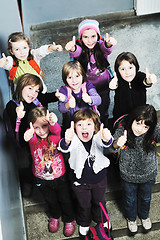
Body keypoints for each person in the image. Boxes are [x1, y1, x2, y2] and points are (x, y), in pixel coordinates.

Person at [4, 73, 64, 197]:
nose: (33, 93)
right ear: (21, 87)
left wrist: (57, 95)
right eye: (29, 88)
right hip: (25, 143)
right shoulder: (13, 105)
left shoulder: (37, 99)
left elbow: (47, 97)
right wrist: (18, 114)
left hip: (43, 138)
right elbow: (13, 110)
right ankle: (28, 182)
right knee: (26, 162)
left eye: (36, 90)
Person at [58, 109, 113, 238]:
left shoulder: (97, 136)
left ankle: (101, 220)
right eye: (80, 125)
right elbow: (65, 147)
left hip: (99, 180)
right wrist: (66, 140)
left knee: (99, 201)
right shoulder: (74, 140)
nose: (84, 128)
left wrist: (107, 138)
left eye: (88, 124)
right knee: (84, 204)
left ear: (95, 127)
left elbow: (105, 142)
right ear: (75, 127)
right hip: (80, 182)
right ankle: (84, 222)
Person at [24, 106, 75, 237]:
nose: (41, 131)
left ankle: (69, 219)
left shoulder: (54, 136)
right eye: (36, 127)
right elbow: (30, 138)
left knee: (65, 199)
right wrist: (28, 134)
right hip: (41, 179)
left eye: (44, 126)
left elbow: (56, 130)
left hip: (60, 177)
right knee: (50, 200)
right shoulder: (34, 140)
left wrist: (52, 123)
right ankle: (55, 215)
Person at [111, 104, 160, 233]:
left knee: (146, 198)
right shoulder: (123, 130)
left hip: (148, 174)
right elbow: (111, 146)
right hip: (128, 175)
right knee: (129, 198)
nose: (140, 129)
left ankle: (144, 216)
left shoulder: (152, 131)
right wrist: (117, 143)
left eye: (145, 126)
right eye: (138, 123)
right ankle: (131, 218)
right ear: (132, 119)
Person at [65, 19, 117, 127]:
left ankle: (105, 125)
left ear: (98, 36)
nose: (89, 41)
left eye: (93, 36)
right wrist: (72, 48)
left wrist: (108, 44)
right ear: (81, 38)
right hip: (87, 88)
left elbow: (106, 49)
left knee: (103, 109)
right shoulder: (79, 47)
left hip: (103, 86)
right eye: (85, 37)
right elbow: (76, 51)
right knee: (88, 110)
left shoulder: (101, 45)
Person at [109, 52, 157, 124]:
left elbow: (145, 81)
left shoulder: (140, 76)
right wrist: (112, 85)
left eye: (130, 68)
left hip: (139, 115)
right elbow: (113, 85)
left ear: (136, 67)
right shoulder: (117, 79)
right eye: (122, 69)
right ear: (118, 71)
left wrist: (149, 81)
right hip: (121, 117)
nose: (127, 72)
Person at [58, 60, 101, 135]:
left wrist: (90, 99)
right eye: (70, 77)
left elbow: (98, 100)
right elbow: (61, 109)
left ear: (82, 75)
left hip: (89, 122)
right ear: (65, 79)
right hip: (72, 124)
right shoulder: (64, 90)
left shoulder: (87, 86)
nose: (74, 80)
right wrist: (67, 105)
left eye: (77, 76)